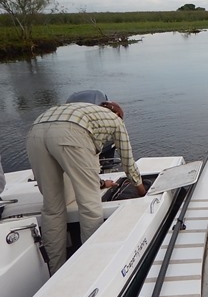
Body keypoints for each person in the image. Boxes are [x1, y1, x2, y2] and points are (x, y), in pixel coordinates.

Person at [26, 101, 146, 274]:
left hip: (35, 134)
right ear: (118, 114)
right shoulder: (116, 120)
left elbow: (78, 168)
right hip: (71, 134)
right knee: (90, 206)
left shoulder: (84, 110)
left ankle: (56, 269)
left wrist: (103, 184)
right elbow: (127, 161)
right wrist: (142, 191)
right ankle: (91, 268)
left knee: (52, 208)